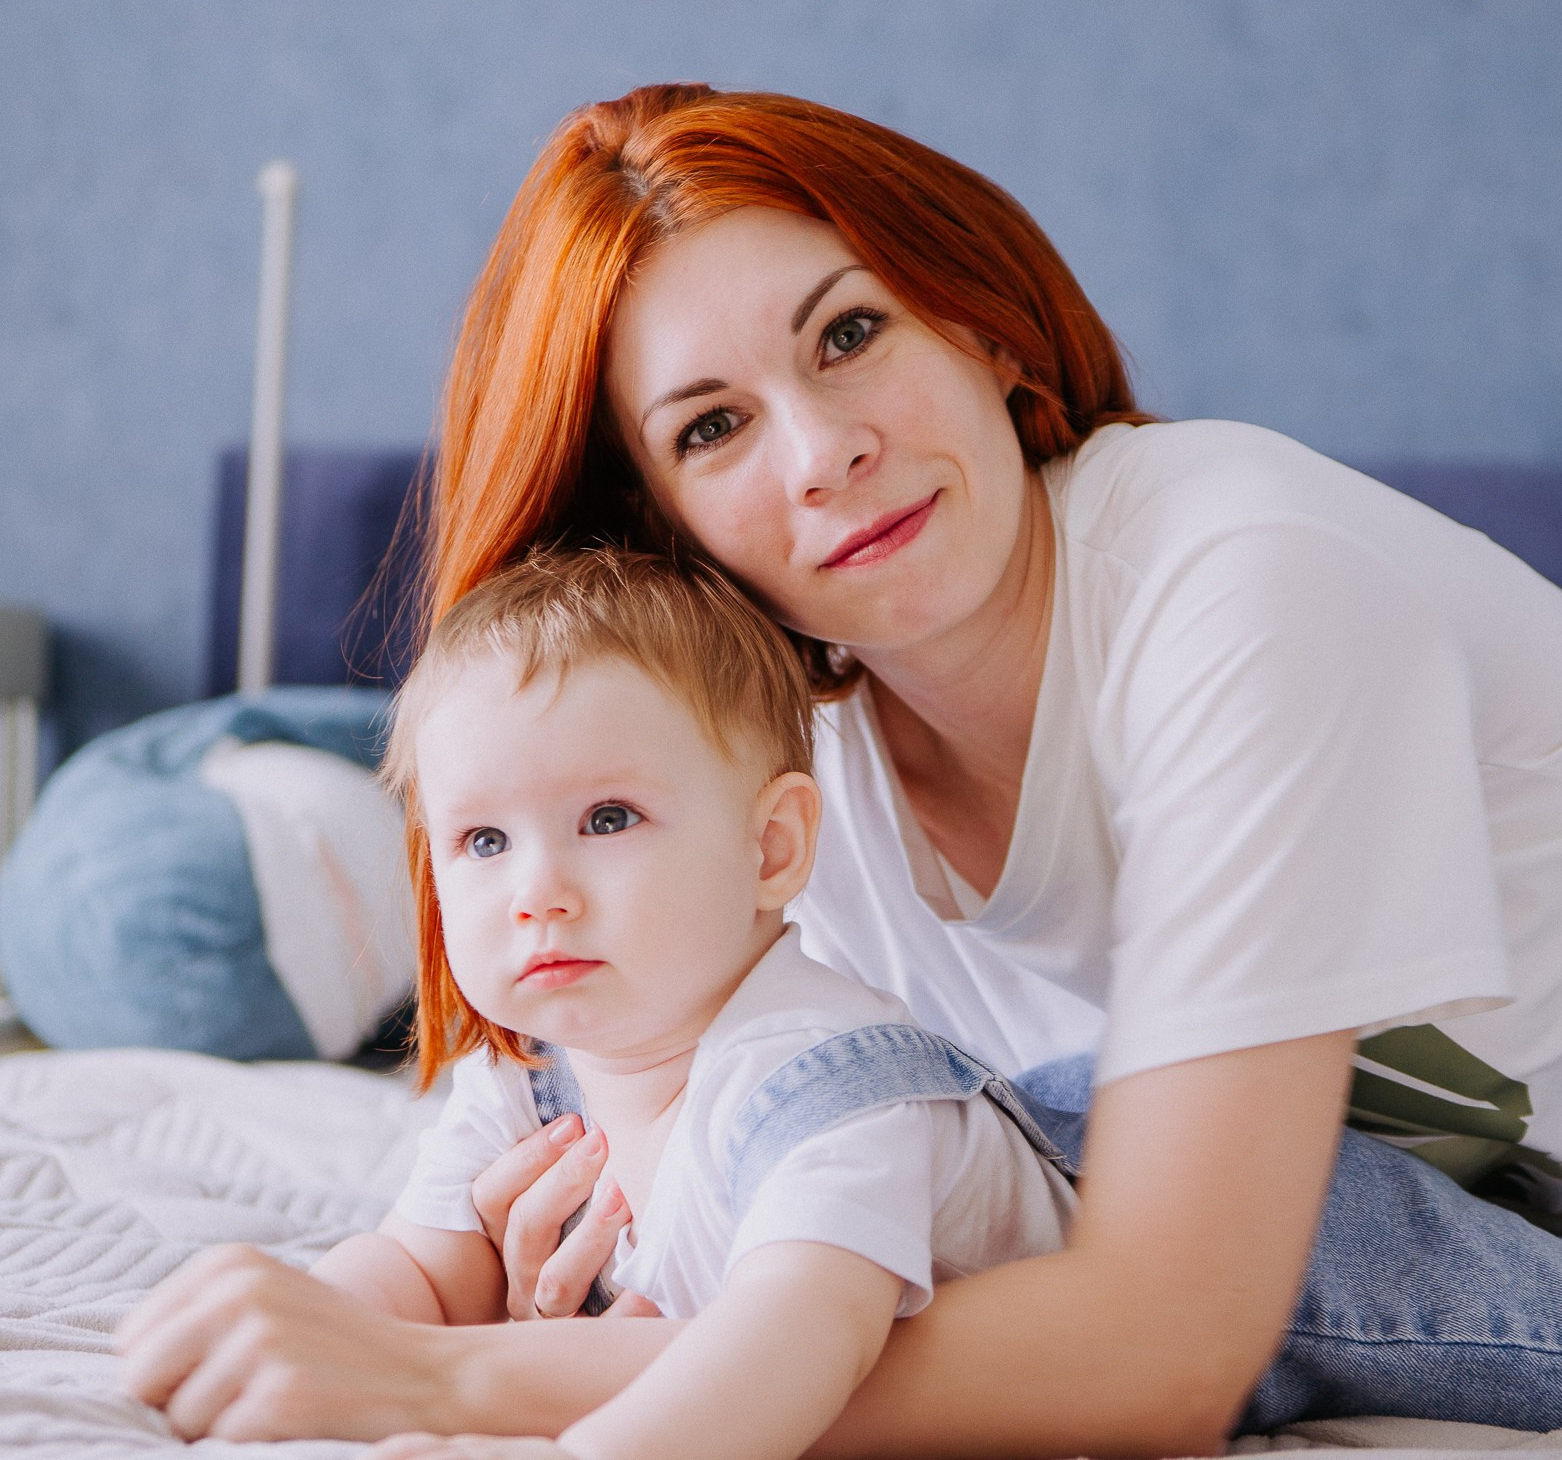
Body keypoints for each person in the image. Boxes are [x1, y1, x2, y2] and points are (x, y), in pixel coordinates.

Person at [122, 84, 1562, 1452]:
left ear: (978, 325)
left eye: (852, 333)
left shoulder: (1235, 580)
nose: (825, 453)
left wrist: (474, 1391)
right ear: (658, 528)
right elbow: (737, 1139)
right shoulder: (778, 797)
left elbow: (1160, 1342)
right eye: (715, 425)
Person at [295, 547, 1077, 1460]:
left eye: (608, 819)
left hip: (1252, 1293)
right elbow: (418, 1274)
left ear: (772, 848)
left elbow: (796, 1349)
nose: (535, 892)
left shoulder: (824, 1087)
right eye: (483, 839)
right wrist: (309, 1332)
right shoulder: (529, 1073)